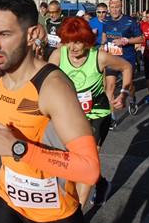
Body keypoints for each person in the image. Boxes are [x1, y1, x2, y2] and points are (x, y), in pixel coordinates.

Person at [0, 0, 100, 223]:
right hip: (10, 199)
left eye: (4, 34)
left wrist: (16, 148)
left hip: (55, 211)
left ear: (32, 34)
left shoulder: (53, 88)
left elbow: (89, 169)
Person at [49, 17, 132, 208]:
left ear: (87, 41)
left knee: (87, 161)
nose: (73, 47)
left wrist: (123, 94)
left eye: (78, 41)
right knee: (70, 158)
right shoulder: (58, 55)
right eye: (69, 41)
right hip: (70, 114)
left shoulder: (99, 57)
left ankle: (76, 214)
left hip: (96, 114)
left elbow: (126, 67)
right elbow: (47, 83)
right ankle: (102, 184)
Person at [102, 0, 143, 117]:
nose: (114, 10)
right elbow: (105, 36)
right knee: (110, 86)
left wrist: (125, 41)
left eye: (117, 7)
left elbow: (140, 39)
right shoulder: (106, 21)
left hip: (127, 58)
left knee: (128, 85)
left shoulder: (130, 21)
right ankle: (112, 117)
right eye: (112, 7)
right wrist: (103, 45)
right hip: (111, 58)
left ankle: (131, 98)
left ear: (121, 8)